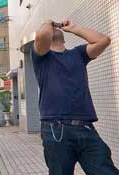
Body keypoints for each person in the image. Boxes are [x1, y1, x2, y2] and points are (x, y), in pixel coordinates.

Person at [32, 20, 118, 174]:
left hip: (85, 127)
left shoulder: (78, 54)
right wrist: (47, 22)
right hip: (55, 128)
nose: (52, 29)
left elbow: (104, 40)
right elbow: (42, 36)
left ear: (64, 38)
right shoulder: (41, 57)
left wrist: (75, 28)